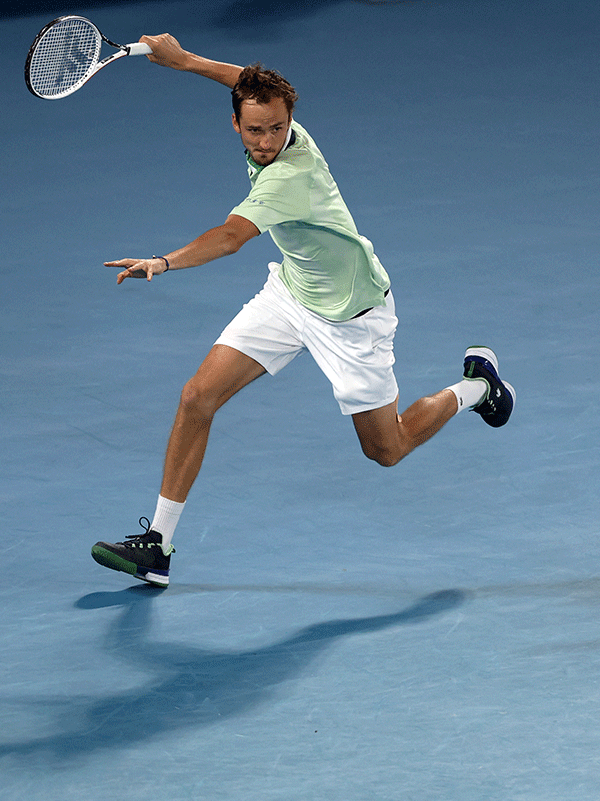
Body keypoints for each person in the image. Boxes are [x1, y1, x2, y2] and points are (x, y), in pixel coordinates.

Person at [91, 34, 515, 587]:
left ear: (289, 122)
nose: (266, 140)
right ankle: (158, 546)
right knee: (197, 396)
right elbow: (247, 83)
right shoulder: (269, 111)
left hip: (352, 317)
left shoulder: (290, 176)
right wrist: (185, 61)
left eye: (276, 128)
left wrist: (163, 262)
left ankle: (477, 388)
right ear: (236, 125)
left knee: (386, 449)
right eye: (255, 129)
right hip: (292, 294)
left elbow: (230, 237)